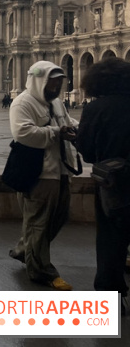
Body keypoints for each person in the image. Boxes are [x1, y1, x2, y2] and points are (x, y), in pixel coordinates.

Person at [8, 61, 78, 291]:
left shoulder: (56, 102)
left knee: (59, 216)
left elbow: (67, 122)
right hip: (38, 173)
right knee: (39, 223)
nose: (56, 86)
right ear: (40, 80)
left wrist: (86, 126)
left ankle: (24, 250)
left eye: (59, 82)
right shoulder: (22, 103)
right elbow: (23, 133)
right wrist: (57, 133)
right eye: (52, 81)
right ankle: (42, 271)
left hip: (60, 169)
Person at [75, 57, 130, 315]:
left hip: (112, 183)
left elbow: (86, 153)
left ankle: (111, 295)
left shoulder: (96, 109)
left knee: (110, 239)